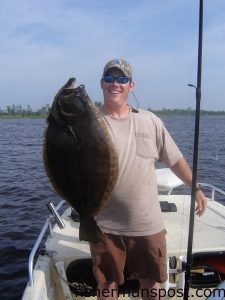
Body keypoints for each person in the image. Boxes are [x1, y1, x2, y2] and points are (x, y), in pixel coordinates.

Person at [89, 58, 207, 300]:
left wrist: (195, 187)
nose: (115, 84)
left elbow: (174, 160)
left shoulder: (150, 121)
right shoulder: (88, 123)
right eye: (110, 78)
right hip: (104, 225)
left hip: (146, 224)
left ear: (131, 85)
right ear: (101, 83)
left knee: (152, 285)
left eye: (122, 79)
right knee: (107, 286)